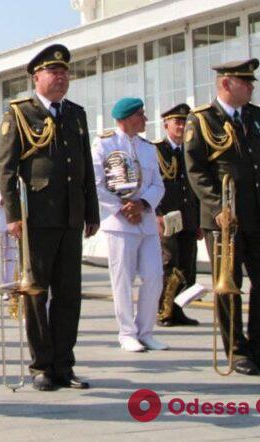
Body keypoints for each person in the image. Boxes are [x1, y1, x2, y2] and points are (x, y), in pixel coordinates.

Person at [0, 43, 99, 391]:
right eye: (53, 72)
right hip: (36, 218)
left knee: (69, 294)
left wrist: (91, 211)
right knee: (37, 293)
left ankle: (64, 365)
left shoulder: (75, 113)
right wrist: (13, 214)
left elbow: (84, 166)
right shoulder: (20, 113)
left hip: (70, 216)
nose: (61, 77)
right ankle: (42, 364)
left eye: (65, 72)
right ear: (36, 77)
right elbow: (7, 169)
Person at [184, 58, 260, 376]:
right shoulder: (202, 119)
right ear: (226, 84)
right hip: (225, 219)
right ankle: (236, 349)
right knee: (229, 286)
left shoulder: (256, 117)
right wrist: (218, 208)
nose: (251, 87)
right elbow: (196, 171)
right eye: (245, 83)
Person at [93, 97, 167, 353]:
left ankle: (146, 331)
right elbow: (97, 183)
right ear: (125, 118)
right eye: (140, 114)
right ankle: (127, 333)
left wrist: (142, 204)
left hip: (145, 221)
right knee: (122, 279)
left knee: (154, 277)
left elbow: (158, 184)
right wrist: (123, 207)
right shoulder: (104, 144)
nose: (144, 119)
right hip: (119, 223)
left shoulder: (148, 148)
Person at [153, 103, 201, 328]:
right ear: (166, 125)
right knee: (168, 263)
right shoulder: (156, 150)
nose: (181, 126)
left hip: (189, 216)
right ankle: (164, 310)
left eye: (184, 122)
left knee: (187, 266)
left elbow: (197, 187)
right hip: (167, 216)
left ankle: (179, 310)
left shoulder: (192, 150)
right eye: (177, 122)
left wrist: (201, 219)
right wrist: (156, 214)